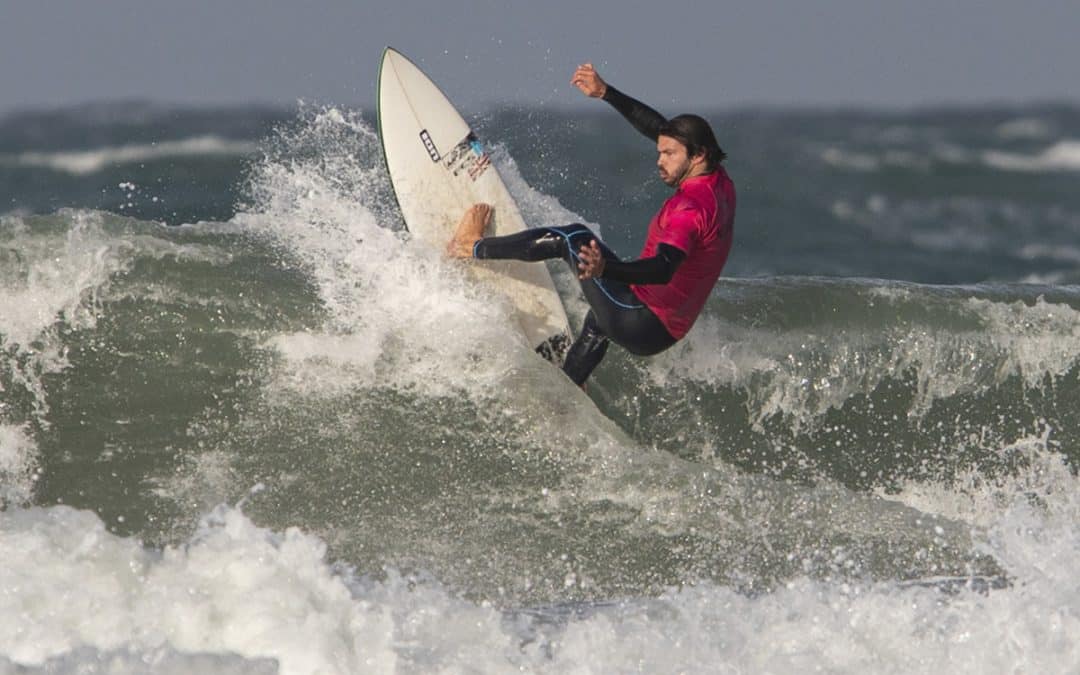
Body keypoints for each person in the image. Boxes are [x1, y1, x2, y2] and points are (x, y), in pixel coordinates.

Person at [447, 63, 736, 386]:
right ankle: (569, 390)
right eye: (660, 151)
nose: (659, 160)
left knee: (570, 239)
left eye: (669, 154)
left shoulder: (689, 208)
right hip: (664, 328)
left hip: (640, 320)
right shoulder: (718, 182)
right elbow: (659, 128)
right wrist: (606, 93)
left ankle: (470, 246)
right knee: (598, 318)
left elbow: (664, 267)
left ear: (697, 156)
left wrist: (605, 270)